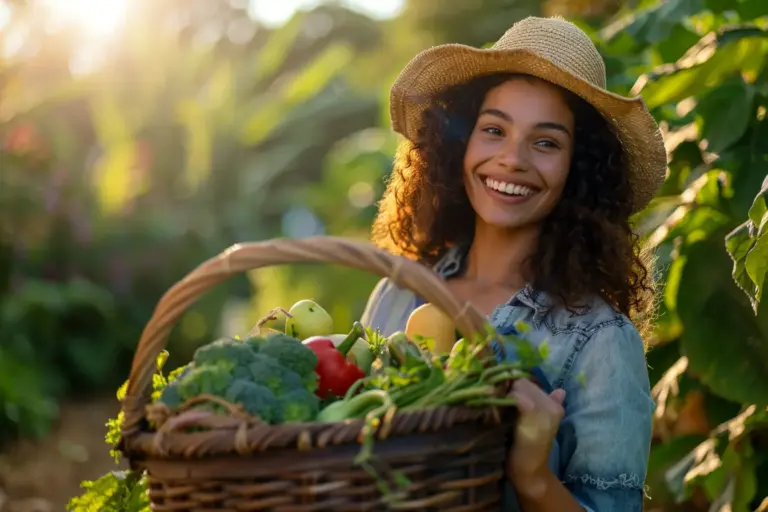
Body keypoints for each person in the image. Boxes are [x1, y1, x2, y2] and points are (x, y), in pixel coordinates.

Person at [360, 15, 666, 512]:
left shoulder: (599, 340)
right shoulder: (399, 292)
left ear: (578, 170)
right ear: (459, 145)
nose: (512, 159)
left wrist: (533, 476)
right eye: (494, 130)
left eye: (545, 142)